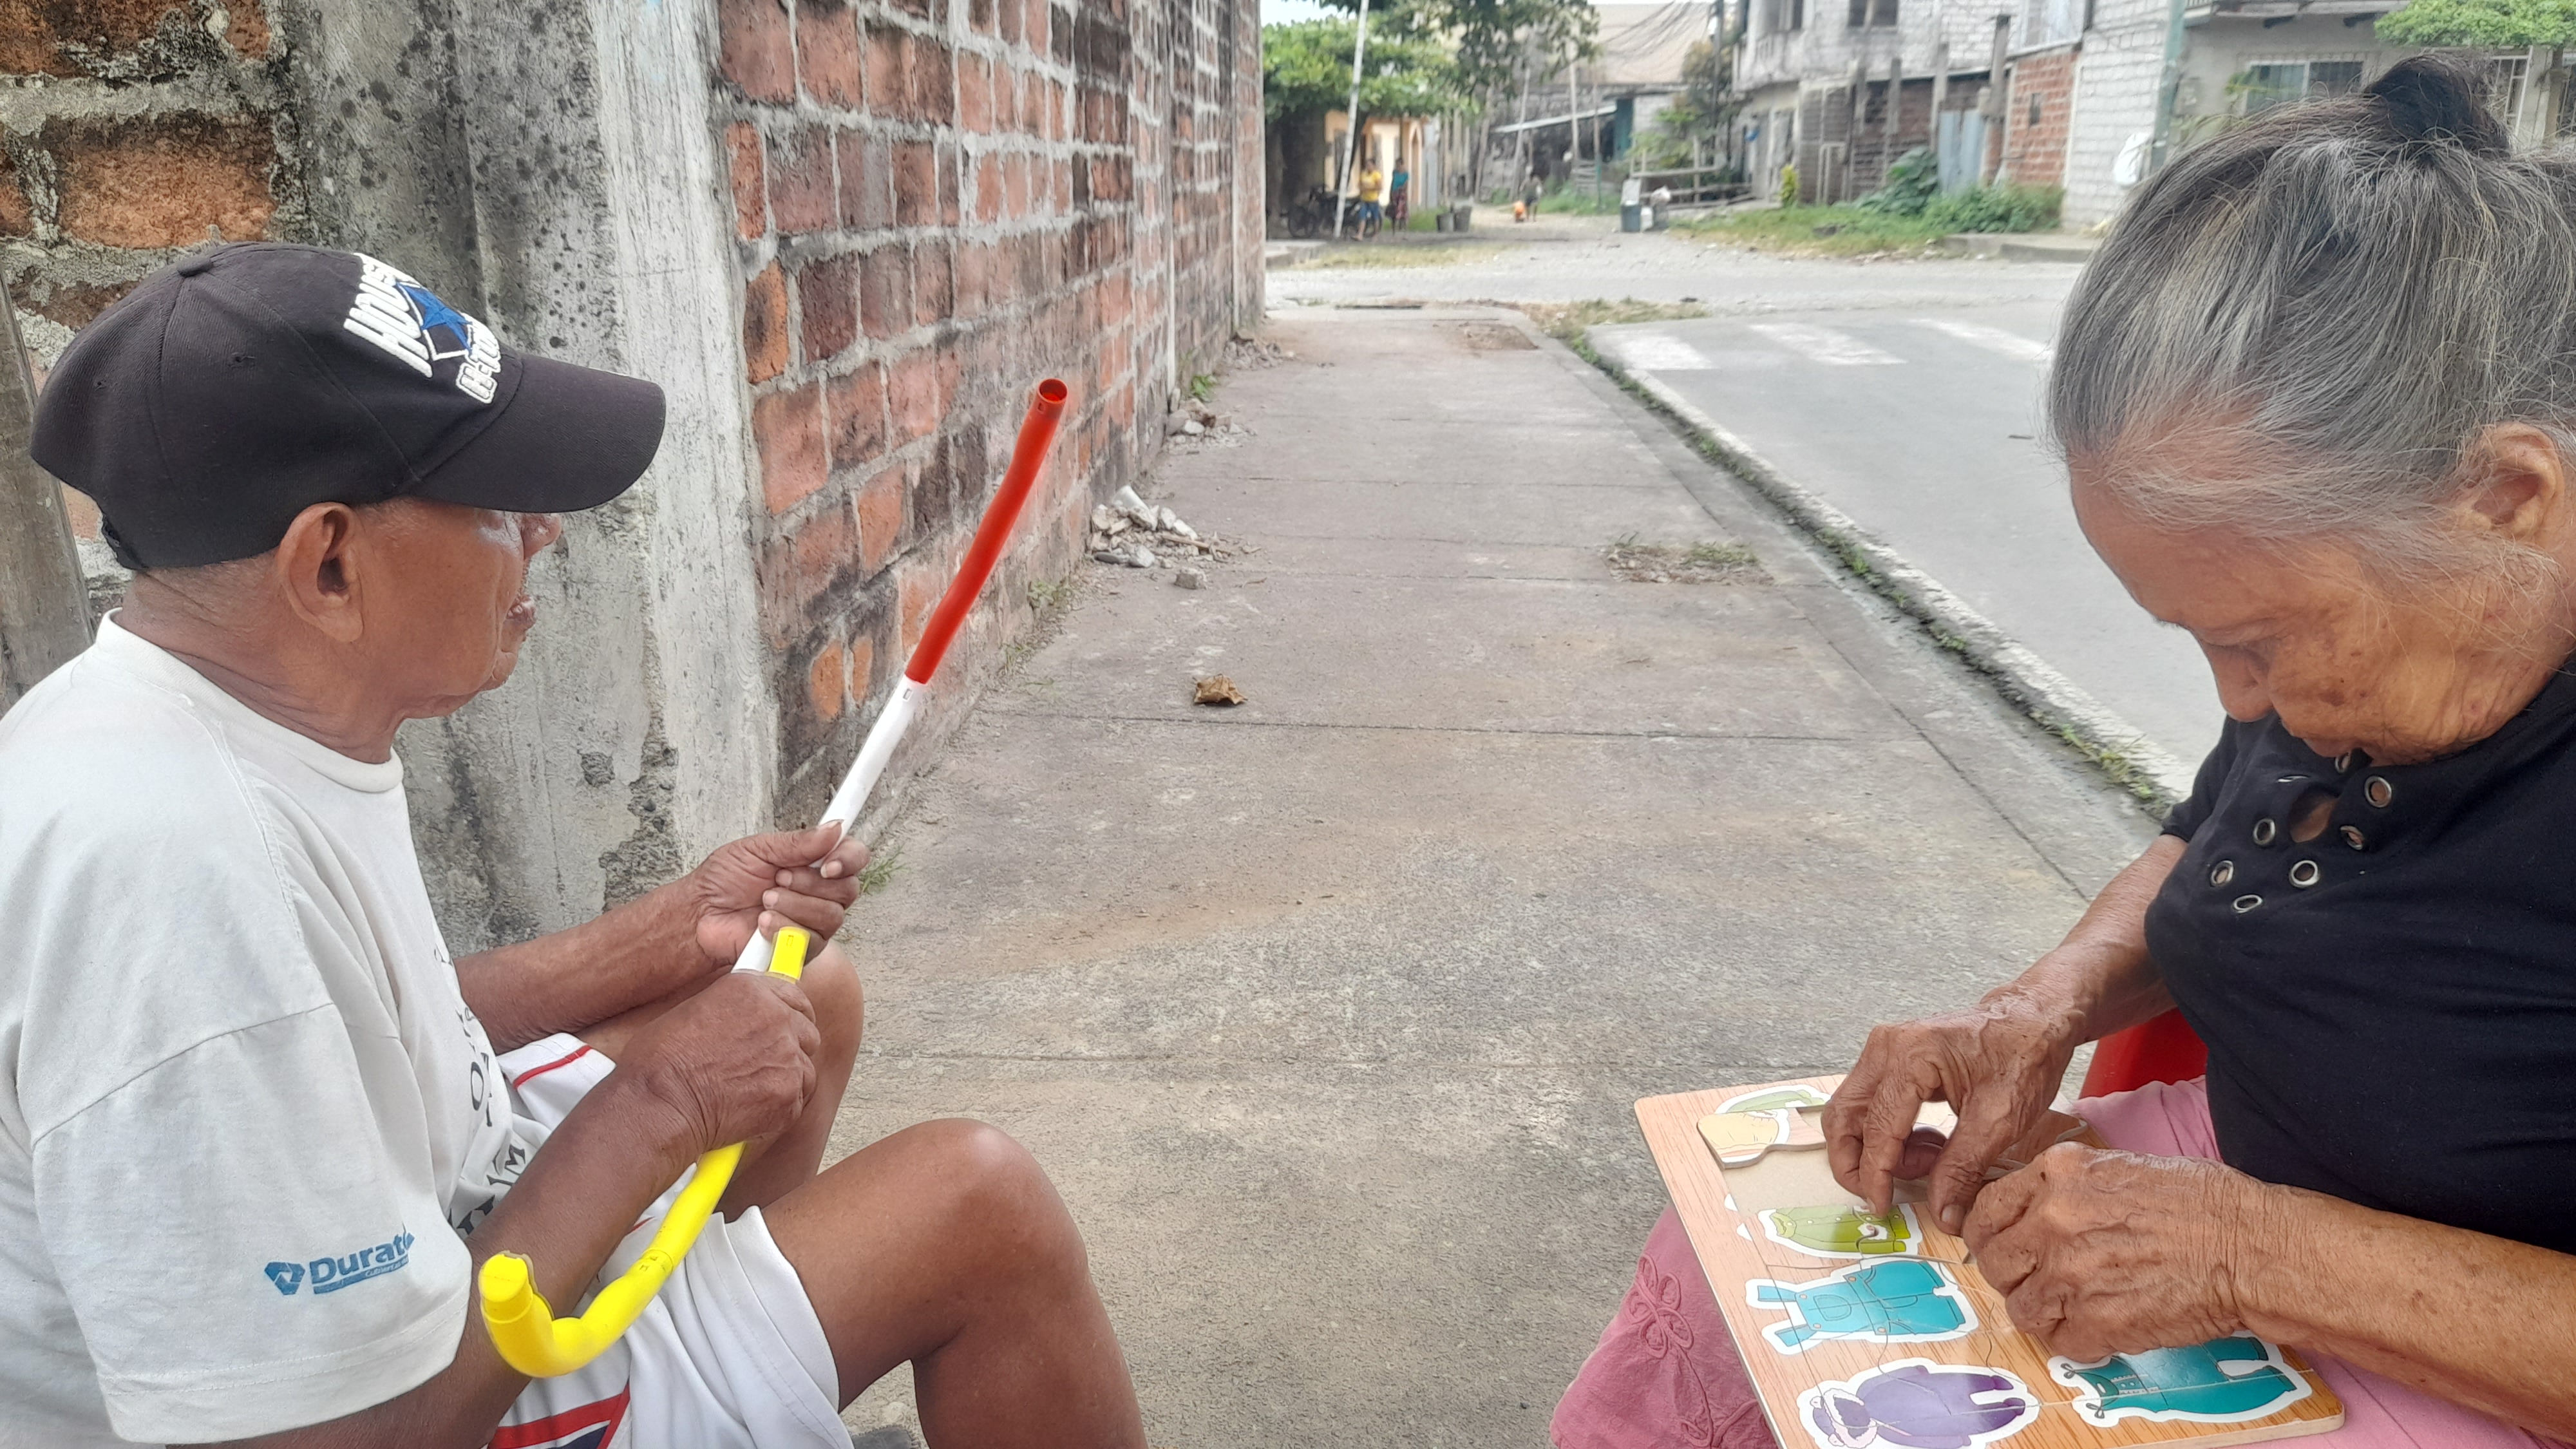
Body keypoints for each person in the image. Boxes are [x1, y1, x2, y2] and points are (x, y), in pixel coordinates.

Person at [1551, 57, 2576, 1449]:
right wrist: (2036, 1007)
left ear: (2508, 498)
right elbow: (2214, 843)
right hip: (2234, 1188)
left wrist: (2257, 1254)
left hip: (2468, 1337)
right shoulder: (2363, 666)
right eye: (2199, 641)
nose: (2243, 705)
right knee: (1750, 1264)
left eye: (2262, 641)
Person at [0, 243, 1146, 1449]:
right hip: (380, 1407)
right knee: (981, 1208)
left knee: (807, 992)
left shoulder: (206, 714)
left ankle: (710, 1380)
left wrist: (678, 929)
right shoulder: (178, 880)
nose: (544, 530)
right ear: (328, 563)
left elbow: (373, 1031)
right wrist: (662, 1104)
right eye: (496, 501)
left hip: (415, 1240)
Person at [1356, 161, 1385, 240]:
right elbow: (1359, 184)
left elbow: (1379, 187)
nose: (1368, 167)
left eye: (1370, 165)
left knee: (1375, 217)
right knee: (1362, 216)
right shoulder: (1363, 174)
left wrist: (1369, 188)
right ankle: (1360, 234)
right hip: (1364, 199)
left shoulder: (1376, 175)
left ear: (1373, 166)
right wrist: (1361, 188)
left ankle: (1376, 234)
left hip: (1373, 199)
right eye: (1367, 165)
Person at [1388, 164, 1411, 230]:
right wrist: (1391, 193)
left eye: (1399, 166)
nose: (1398, 167)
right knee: (1395, 209)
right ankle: (1394, 225)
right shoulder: (1395, 173)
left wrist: (1402, 189)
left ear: (1402, 165)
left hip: (1402, 193)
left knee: (1402, 209)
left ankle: (1403, 224)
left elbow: (1406, 184)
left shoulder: (1406, 174)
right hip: (1395, 193)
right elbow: (1393, 183)